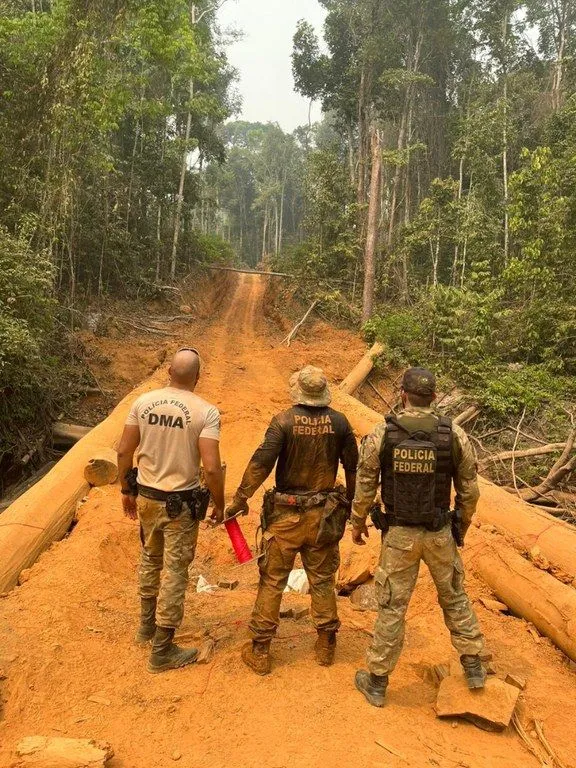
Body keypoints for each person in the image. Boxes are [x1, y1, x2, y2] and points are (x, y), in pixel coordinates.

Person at [351, 367, 485, 707]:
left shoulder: (383, 433)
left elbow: (366, 483)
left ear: (403, 395)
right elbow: (469, 489)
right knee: (454, 597)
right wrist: (462, 527)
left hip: (399, 537)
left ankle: (378, 682)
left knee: (392, 606)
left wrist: (357, 522)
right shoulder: (452, 434)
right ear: (434, 397)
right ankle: (473, 666)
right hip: (440, 533)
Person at [225, 366, 359, 675]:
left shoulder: (283, 421)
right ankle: (326, 646)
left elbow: (261, 463)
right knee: (322, 580)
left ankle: (260, 650)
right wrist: (350, 501)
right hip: (323, 516)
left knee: (273, 580)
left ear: (298, 390)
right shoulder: (339, 422)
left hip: (285, 516)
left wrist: (239, 500)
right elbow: (352, 465)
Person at [117, 347, 225, 674]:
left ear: (168, 371)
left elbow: (124, 450)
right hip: (181, 504)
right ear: (197, 377)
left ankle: (146, 628)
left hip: (147, 497)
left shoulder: (142, 403)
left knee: (150, 559)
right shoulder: (205, 412)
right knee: (176, 570)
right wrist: (219, 504)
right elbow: (212, 468)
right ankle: (162, 649)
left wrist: (126, 490)